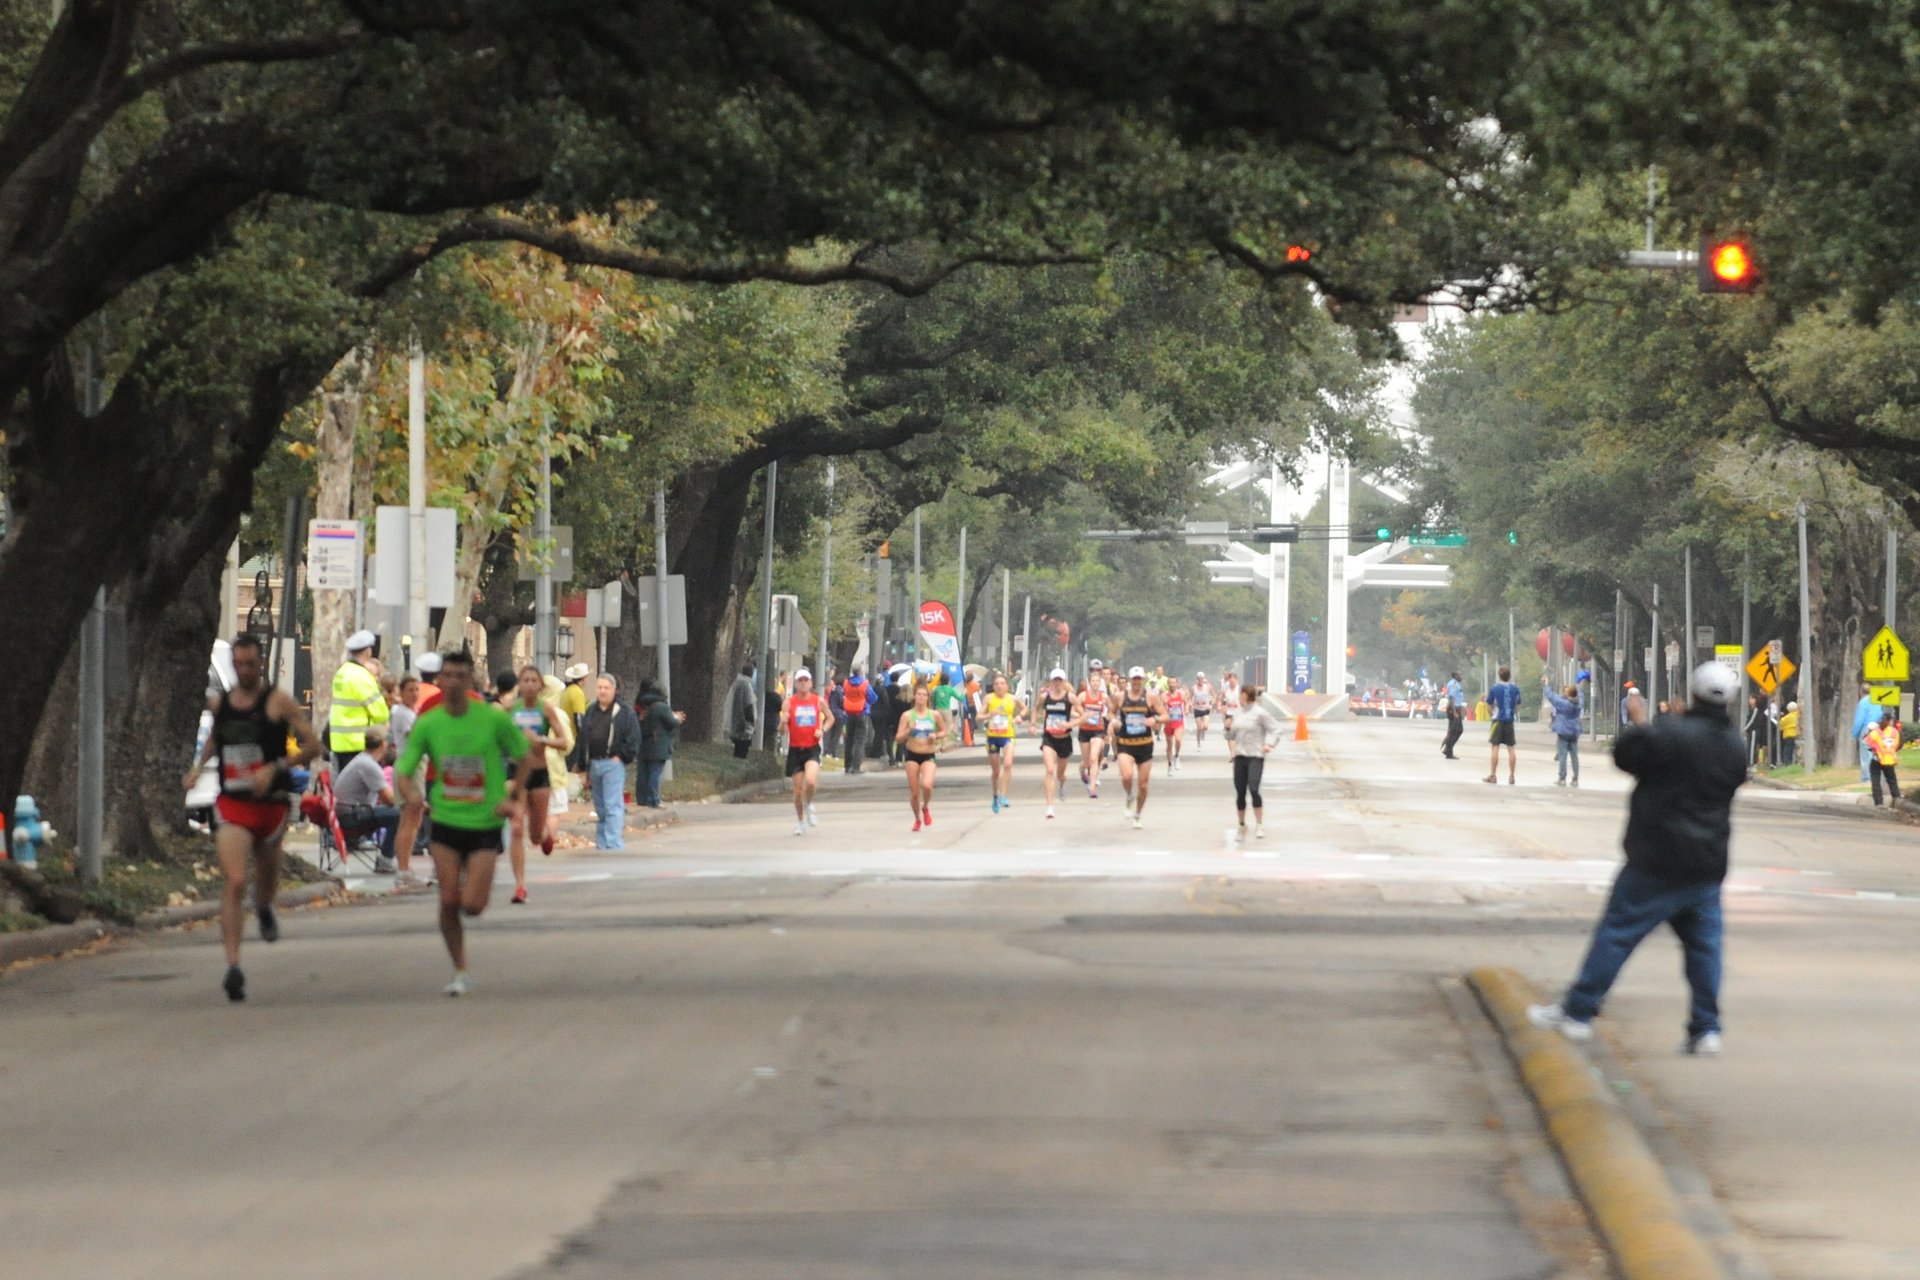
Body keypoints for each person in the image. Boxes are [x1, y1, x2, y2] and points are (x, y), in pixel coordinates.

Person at [1528, 662, 1747, 1055]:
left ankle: (1579, 1012)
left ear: (1693, 693)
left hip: (1656, 857)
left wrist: (1642, 722)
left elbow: (1627, 756)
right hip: (1706, 863)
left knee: (1617, 933)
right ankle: (1706, 1028)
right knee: (1704, 948)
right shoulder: (1734, 746)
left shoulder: (1670, 732)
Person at [182, 632, 320, 1002]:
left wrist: (275, 766)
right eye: (238, 664)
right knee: (235, 879)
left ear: (261, 664)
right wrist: (199, 767)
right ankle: (233, 966)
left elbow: (313, 745)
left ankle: (264, 908)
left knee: (264, 884)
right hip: (233, 803)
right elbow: (216, 738)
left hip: (271, 805)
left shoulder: (278, 702)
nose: (244, 670)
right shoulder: (223, 703)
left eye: (250, 664)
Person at [395, 651, 535, 997]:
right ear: (439, 681)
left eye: (461, 675)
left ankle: (462, 904)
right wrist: (411, 796)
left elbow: (526, 757)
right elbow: (404, 766)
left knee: (472, 905)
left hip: (485, 821)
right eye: (448, 675)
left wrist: (514, 796)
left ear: (471, 680)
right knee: (447, 899)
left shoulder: (492, 719)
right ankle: (460, 969)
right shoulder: (429, 723)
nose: (454, 682)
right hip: (445, 820)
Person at [506, 665, 572, 902]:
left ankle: (544, 835)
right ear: (519, 684)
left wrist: (541, 740)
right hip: (515, 773)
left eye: (534, 680)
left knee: (534, 836)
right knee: (515, 827)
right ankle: (520, 886)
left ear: (541, 686)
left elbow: (564, 741)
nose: (530, 685)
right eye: (525, 680)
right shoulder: (510, 710)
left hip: (540, 773)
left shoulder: (546, 709)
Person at [579, 674, 643, 850]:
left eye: (606, 688)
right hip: (594, 764)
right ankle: (602, 843)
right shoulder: (591, 711)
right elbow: (583, 739)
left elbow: (633, 739)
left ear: (614, 690)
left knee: (612, 804)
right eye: (599, 687)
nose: (602, 691)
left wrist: (621, 756)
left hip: (613, 764)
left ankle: (613, 843)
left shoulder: (624, 712)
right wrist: (583, 768)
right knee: (600, 806)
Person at [333, 726, 402, 873]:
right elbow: (389, 799)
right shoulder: (369, 765)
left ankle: (387, 857)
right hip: (352, 816)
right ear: (382, 744)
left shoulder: (362, 760)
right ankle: (386, 859)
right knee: (400, 814)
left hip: (348, 812)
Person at [1109, 665, 1165, 829]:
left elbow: (1165, 715)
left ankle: (1138, 814)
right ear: (1130, 681)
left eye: (1140, 679)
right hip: (1126, 744)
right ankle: (1129, 795)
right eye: (1134, 679)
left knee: (1143, 785)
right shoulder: (1120, 696)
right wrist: (1114, 721)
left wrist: (1155, 720)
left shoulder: (1151, 698)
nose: (1137, 682)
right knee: (1126, 776)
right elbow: (1110, 712)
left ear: (1143, 681)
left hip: (1144, 745)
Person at [328, 630, 390, 773]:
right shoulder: (362, 676)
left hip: (339, 743)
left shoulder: (341, 672)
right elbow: (380, 713)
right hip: (358, 744)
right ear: (367, 652)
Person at [1226, 683, 1282, 839]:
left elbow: (1276, 729)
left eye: (1241, 695)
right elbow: (1230, 736)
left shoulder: (1260, 713)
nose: (1239, 698)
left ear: (1246, 695)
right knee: (1240, 791)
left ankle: (1259, 824)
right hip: (1240, 756)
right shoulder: (1237, 714)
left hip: (1256, 756)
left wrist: (1269, 744)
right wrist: (1227, 728)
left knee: (1254, 788)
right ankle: (1242, 825)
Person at [782, 668, 833, 834]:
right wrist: (783, 722)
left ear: (811, 683)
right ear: (796, 684)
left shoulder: (818, 701)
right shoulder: (789, 703)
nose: (803, 683)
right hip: (795, 749)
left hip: (812, 748)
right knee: (797, 791)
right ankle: (800, 821)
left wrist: (822, 730)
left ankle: (809, 803)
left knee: (810, 781)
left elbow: (831, 718)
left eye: (806, 680)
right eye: (800, 681)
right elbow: (782, 731)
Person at [895, 682, 947, 829]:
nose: (921, 697)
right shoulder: (907, 715)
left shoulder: (934, 715)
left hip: (928, 754)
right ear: (914, 696)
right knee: (915, 793)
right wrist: (908, 731)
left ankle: (926, 807)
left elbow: (944, 731)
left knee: (927, 786)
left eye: (924, 695)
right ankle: (917, 819)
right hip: (912, 754)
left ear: (928, 697)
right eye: (919, 694)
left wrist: (935, 736)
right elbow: (898, 738)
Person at [1031, 668, 1079, 819]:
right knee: (1050, 770)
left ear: (1064, 683)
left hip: (1064, 739)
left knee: (1060, 774)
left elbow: (1083, 716)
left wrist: (1070, 725)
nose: (1057, 684)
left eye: (1060, 681)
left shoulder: (1070, 698)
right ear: (1051, 682)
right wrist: (1033, 723)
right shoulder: (1045, 697)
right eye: (1055, 681)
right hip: (1049, 738)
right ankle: (1050, 806)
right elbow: (1035, 709)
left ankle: (1062, 784)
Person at [634, 677, 684, 809]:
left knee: (643, 774)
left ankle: (642, 798)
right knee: (655, 773)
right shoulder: (662, 707)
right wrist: (677, 718)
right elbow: (670, 723)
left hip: (645, 744)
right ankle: (654, 799)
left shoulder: (644, 705)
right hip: (658, 745)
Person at [982, 672, 1022, 812]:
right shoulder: (989, 699)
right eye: (997, 684)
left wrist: (1019, 717)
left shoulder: (1012, 699)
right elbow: (978, 717)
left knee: (1008, 764)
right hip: (993, 737)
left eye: (1002, 683)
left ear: (1007, 686)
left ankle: (1003, 795)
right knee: (996, 771)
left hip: (1008, 736)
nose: (999, 686)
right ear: (993, 686)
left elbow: (1025, 709)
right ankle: (995, 795)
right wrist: (989, 715)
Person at [1484, 665, 1521, 785]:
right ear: (1509, 676)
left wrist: (1491, 715)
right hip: (1509, 720)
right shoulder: (1515, 689)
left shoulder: (1495, 689)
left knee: (1495, 747)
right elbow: (1517, 706)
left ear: (1499, 676)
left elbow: (1488, 704)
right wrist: (1512, 713)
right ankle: (1512, 776)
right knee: (1511, 748)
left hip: (1497, 720)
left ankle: (1493, 775)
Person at [1543, 678, 1583, 786]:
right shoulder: (1578, 704)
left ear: (1569, 694)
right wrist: (1579, 685)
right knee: (1574, 756)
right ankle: (1575, 779)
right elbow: (1581, 694)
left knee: (1563, 755)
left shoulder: (1564, 704)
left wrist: (1546, 684)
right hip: (1574, 732)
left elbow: (1551, 697)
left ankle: (1562, 778)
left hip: (1564, 731)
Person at [1076, 675, 1109, 799]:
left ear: (1100, 683)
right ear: (1089, 682)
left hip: (1098, 730)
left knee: (1094, 758)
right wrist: (1083, 715)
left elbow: (1111, 711)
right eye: (1093, 681)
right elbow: (1072, 710)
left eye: (1097, 681)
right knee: (1086, 762)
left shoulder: (1104, 697)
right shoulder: (1083, 696)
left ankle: (1092, 787)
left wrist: (1111, 721)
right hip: (1084, 730)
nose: (1095, 683)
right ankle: (1082, 771)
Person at [841, 666, 875, 774]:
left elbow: (844, 694)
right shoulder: (865, 684)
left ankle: (847, 766)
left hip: (849, 714)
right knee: (859, 741)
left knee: (849, 740)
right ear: (860, 672)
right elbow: (873, 698)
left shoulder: (846, 683)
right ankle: (856, 767)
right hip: (862, 713)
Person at [1867, 711, 1903, 806]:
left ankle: (1879, 802)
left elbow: (1867, 743)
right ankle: (1896, 798)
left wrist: (1875, 750)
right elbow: (1898, 745)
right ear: (1890, 721)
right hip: (1889, 759)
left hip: (1877, 759)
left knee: (1876, 781)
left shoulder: (1875, 732)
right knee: (1892, 780)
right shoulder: (1894, 732)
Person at [725, 662, 758, 759]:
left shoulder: (738, 682)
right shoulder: (745, 684)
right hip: (744, 726)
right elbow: (748, 705)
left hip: (737, 722)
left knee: (738, 751)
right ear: (751, 673)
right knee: (742, 752)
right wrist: (751, 721)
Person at [1852, 683, 1879, 782]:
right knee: (1876, 754)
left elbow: (1859, 720)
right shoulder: (1878, 701)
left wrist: (1855, 733)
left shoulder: (1863, 702)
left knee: (1865, 755)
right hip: (1878, 728)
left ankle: (1867, 778)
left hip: (1866, 729)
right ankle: (1877, 776)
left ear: (1861, 692)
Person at [1163, 677, 1188, 772]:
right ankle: (1169, 764)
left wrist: (1186, 709)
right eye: (1170, 683)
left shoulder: (1181, 694)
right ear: (1167, 684)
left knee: (1178, 740)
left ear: (1177, 684)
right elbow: (1160, 708)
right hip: (1168, 723)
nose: (1172, 684)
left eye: (1173, 682)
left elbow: (1186, 703)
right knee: (1169, 745)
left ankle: (1177, 756)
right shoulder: (1164, 696)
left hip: (1179, 721)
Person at [1441, 671, 1466, 759]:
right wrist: (1455, 711)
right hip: (1453, 709)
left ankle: (1448, 749)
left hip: (1456, 708)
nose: (1461, 676)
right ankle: (1448, 749)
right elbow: (1451, 698)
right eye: (1459, 675)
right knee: (1456, 730)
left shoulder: (1455, 684)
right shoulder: (1454, 684)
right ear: (1455, 676)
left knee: (1456, 730)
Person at [1191, 671, 1213, 750]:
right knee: (1199, 728)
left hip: (1206, 709)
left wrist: (1211, 704)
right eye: (1199, 679)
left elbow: (1214, 695)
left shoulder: (1208, 687)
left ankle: (1203, 732)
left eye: (1202, 679)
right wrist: (1191, 704)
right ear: (1197, 679)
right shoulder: (1194, 688)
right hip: (1197, 709)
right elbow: (1190, 697)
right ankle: (1198, 744)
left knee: (1205, 727)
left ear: (1204, 679)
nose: (1200, 680)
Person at [1779, 700, 1800, 767]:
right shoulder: (1798, 715)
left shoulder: (1788, 717)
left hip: (1789, 735)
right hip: (1797, 734)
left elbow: (1781, 723)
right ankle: (1796, 761)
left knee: (1788, 750)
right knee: (1796, 750)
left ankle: (1787, 763)